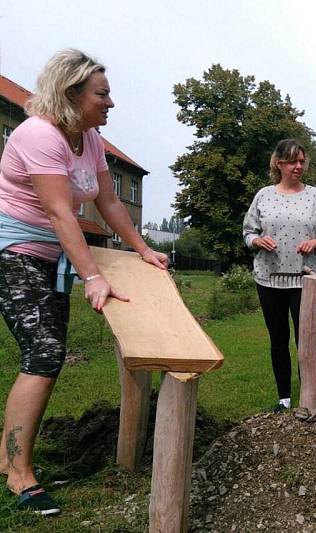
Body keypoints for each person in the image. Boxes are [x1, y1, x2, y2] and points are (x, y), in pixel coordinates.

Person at [0, 49, 169, 515]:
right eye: (103, 94)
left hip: (54, 254)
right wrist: (92, 275)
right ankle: (18, 476)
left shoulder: (89, 137)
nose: (110, 103)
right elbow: (58, 211)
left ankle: (10, 460)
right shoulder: (39, 135)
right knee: (45, 354)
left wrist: (141, 247)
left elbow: (109, 202)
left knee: (47, 355)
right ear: (72, 93)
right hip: (13, 251)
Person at [243, 139, 316, 412]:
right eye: (293, 161)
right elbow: (248, 233)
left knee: (305, 339)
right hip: (269, 278)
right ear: (279, 163)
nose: (299, 166)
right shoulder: (263, 196)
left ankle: (309, 399)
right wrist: (257, 241)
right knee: (278, 338)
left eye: (302, 161)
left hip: (306, 279)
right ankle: (284, 398)